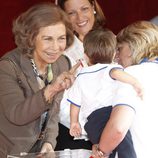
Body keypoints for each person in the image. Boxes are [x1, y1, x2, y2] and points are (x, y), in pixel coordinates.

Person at [0, 3, 80, 157]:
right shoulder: (8, 66)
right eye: (48, 39)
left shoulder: (62, 63)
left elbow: (54, 111)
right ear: (31, 38)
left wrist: (49, 142)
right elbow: (17, 114)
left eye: (61, 38)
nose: (56, 47)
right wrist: (52, 89)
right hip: (8, 151)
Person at [67, 29, 142, 158]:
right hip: (108, 116)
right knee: (125, 147)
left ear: (85, 55)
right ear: (114, 54)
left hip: (91, 124)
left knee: (107, 152)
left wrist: (74, 122)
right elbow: (117, 74)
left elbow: (75, 103)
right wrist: (135, 82)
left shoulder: (80, 76)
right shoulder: (111, 69)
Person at [91, 21, 158, 158]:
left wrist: (102, 151)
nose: (116, 56)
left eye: (119, 49)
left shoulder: (131, 74)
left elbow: (118, 128)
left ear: (134, 46)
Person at [55, 0, 106, 150]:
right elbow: (61, 105)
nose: (79, 17)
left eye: (84, 9)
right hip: (77, 139)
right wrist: (94, 130)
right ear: (64, 16)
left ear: (94, 8)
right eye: (71, 13)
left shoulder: (114, 42)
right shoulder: (60, 53)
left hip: (116, 133)